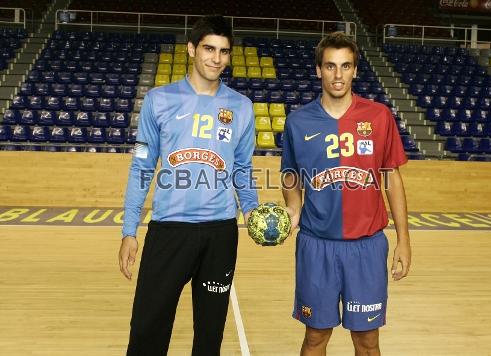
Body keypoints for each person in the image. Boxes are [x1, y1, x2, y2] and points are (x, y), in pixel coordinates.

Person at [118, 15, 258, 356]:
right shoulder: (158, 100)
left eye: (224, 52)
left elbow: (242, 168)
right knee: (147, 332)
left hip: (221, 233)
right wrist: (129, 230)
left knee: (210, 338)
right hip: (169, 231)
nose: (216, 58)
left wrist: (253, 211)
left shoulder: (241, 107)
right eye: (209, 49)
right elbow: (142, 166)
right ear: (191, 49)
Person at [281, 32, 411, 356]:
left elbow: (391, 177)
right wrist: (293, 208)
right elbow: (289, 175)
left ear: (355, 70)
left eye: (345, 66)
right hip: (316, 245)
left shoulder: (379, 116)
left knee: (367, 342)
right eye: (330, 66)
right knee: (315, 337)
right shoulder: (297, 122)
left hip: (366, 247)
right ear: (318, 70)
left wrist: (404, 240)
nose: (338, 75)